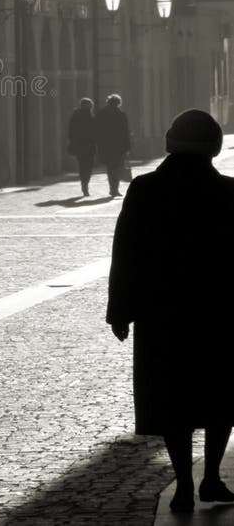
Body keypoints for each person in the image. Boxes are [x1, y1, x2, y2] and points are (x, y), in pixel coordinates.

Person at [106, 109, 234, 514]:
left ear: (170, 142)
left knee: (171, 399)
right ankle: (211, 476)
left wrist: (119, 310)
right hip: (218, 311)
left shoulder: (145, 189)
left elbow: (124, 251)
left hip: (161, 312)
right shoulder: (229, 191)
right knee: (220, 396)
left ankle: (182, 483)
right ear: (213, 147)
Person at [95, 93, 130, 197]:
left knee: (110, 168)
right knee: (118, 167)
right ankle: (115, 189)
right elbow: (125, 131)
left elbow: (97, 129)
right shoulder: (121, 114)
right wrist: (128, 146)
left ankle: (112, 188)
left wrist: (99, 143)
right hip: (119, 145)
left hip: (106, 145)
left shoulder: (101, 113)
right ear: (118, 103)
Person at [67, 97, 96, 196]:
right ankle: (85, 184)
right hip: (88, 145)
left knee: (83, 165)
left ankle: (84, 183)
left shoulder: (76, 115)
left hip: (81, 145)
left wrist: (72, 143)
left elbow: (71, 131)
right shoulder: (90, 116)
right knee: (88, 166)